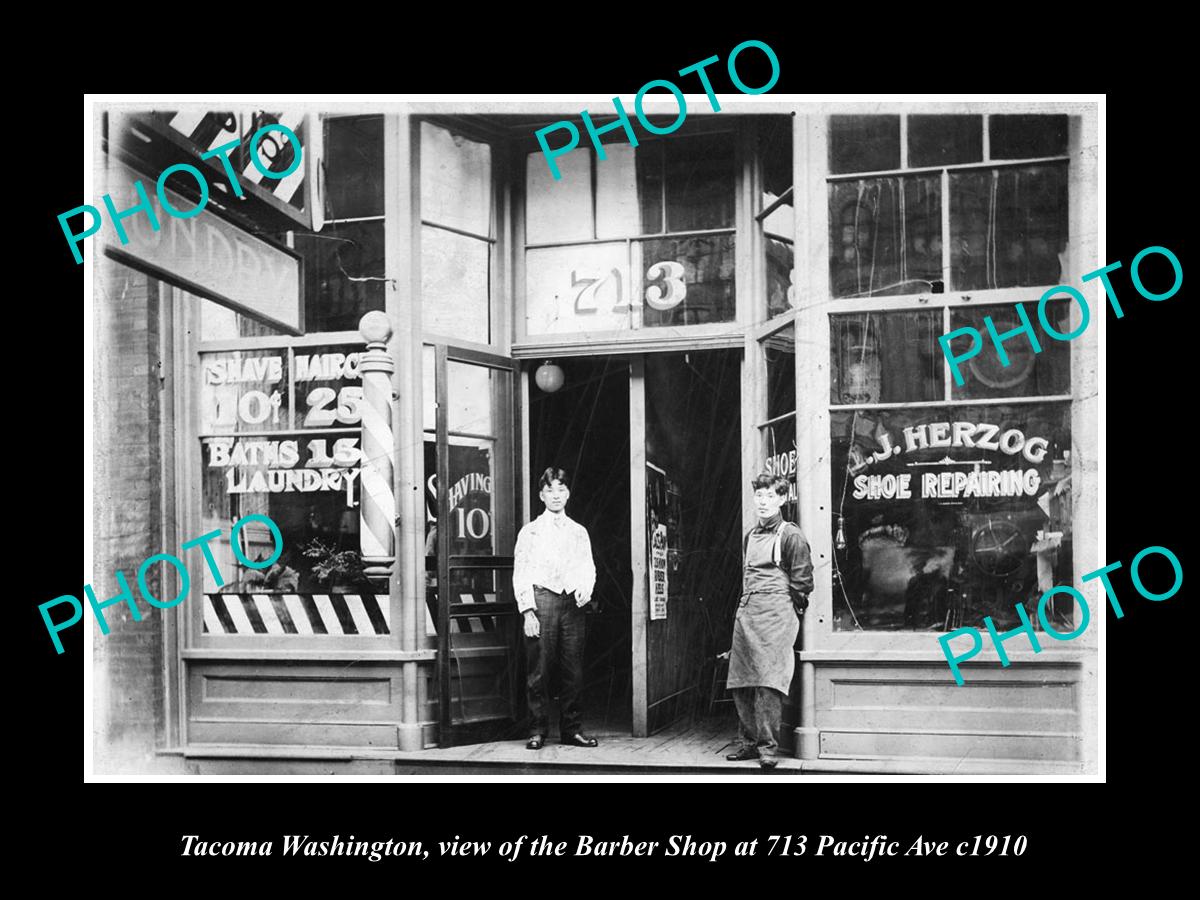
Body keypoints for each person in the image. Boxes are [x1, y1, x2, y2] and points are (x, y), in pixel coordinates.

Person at [726, 473, 813, 768]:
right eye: (759, 497)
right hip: (748, 612)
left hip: (776, 615)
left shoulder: (791, 535)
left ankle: (767, 748)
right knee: (741, 681)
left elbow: (802, 583)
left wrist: (788, 612)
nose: (763, 502)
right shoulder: (750, 536)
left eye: (770, 497)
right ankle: (749, 743)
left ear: (782, 499)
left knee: (768, 683)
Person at [512, 467, 598, 750]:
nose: (556, 495)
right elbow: (520, 572)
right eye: (550, 490)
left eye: (561, 489)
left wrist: (585, 588)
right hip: (542, 601)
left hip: (572, 604)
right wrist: (528, 612)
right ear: (541, 495)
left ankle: (571, 730)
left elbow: (588, 567)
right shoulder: (531, 532)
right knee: (539, 670)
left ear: (568, 493)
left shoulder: (578, 532)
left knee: (573, 671)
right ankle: (537, 730)